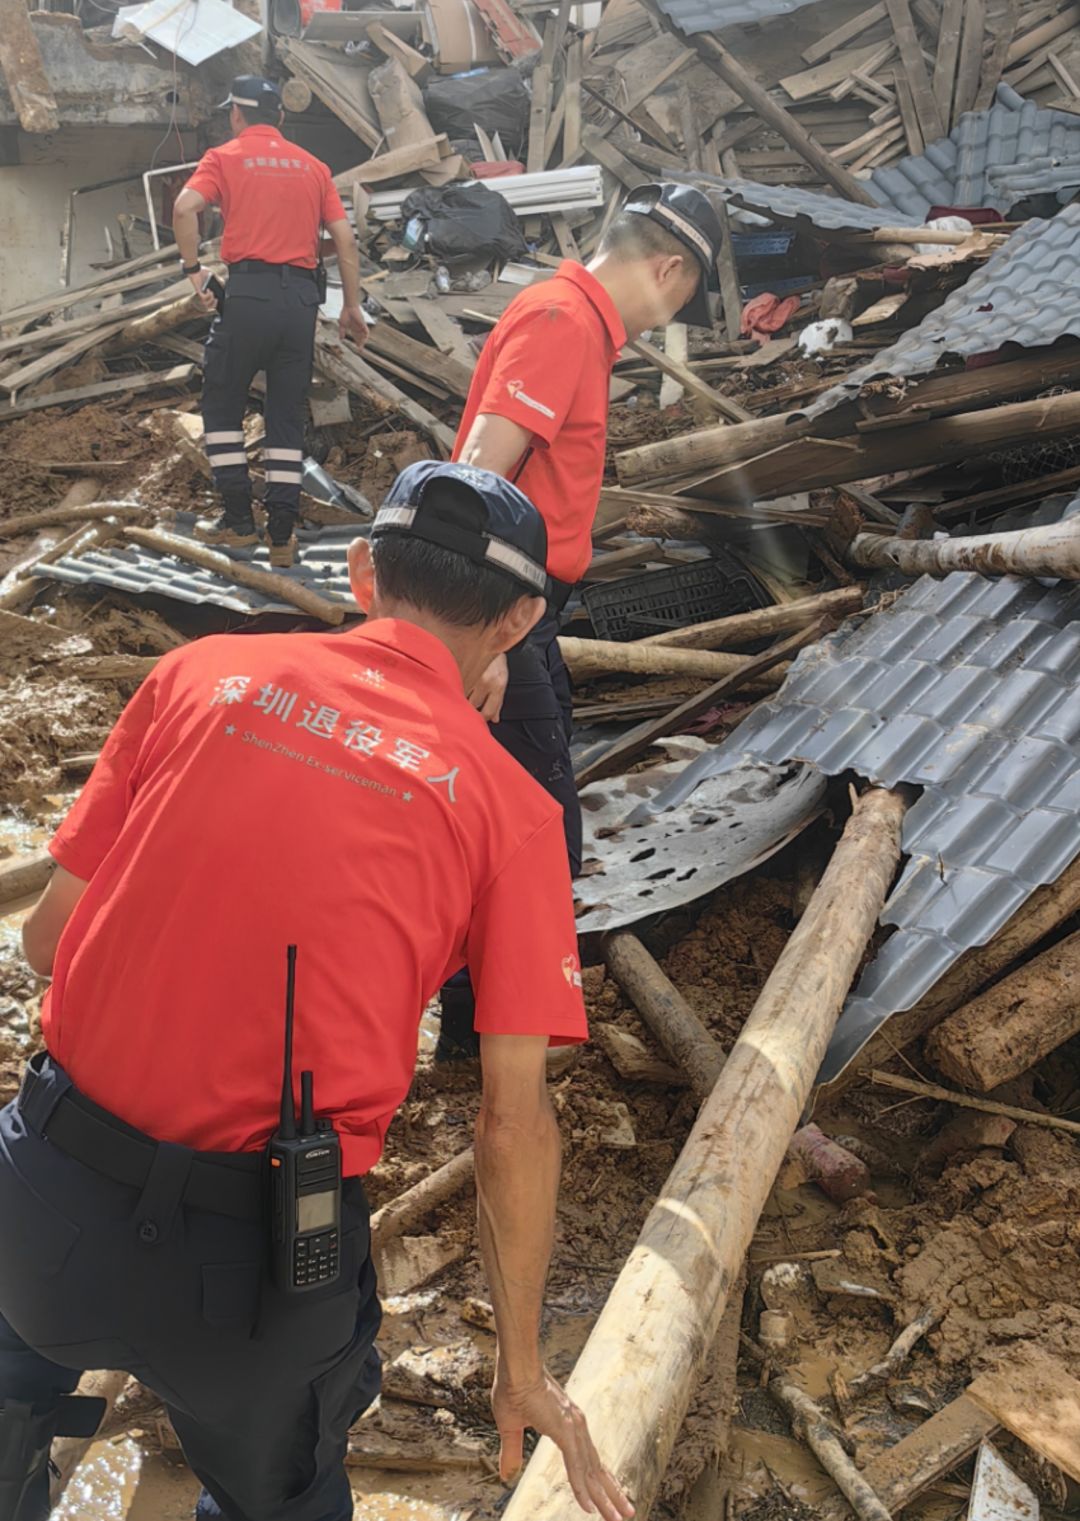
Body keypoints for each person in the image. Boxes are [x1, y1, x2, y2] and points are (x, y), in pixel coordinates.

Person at [0, 462, 634, 1521]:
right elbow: (511, 1122)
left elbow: (48, 947)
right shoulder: (510, 814)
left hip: (45, 1197)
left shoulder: (196, 676)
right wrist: (521, 1371)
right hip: (255, 1272)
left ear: (360, 571)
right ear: (521, 620)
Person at [437, 182, 724, 1060]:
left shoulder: (571, 323)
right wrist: (485, 636)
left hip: (519, 608)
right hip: (499, 610)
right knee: (534, 832)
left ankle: (469, 1029)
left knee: (503, 822)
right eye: (683, 298)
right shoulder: (563, 322)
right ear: (669, 269)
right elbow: (479, 478)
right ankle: (499, 1036)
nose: (672, 312)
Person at [171, 76, 370, 569]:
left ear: (237, 115)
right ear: (280, 118)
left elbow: (184, 208)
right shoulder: (315, 167)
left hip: (247, 298)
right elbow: (346, 241)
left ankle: (239, 522)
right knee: (285, 415)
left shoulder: (224, 157)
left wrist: (195, 272)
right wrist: (350, 307)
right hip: (300, 305)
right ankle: (282, 536)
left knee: (220, 402)